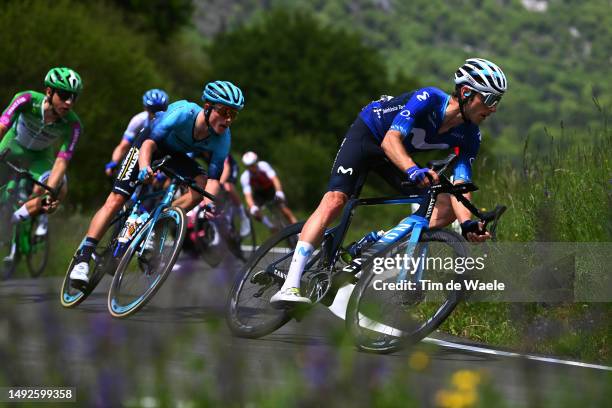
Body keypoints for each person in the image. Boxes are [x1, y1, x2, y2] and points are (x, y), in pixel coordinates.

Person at [270, 57, 508, 306]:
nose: (493, 109)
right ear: (467, 92)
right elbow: (390, 140)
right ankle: (291, 284)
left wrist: (468, 223)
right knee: (336, 200)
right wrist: (414, 170)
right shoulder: (429, 99)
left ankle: (382, 241)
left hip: (395, 157)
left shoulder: (470, 135)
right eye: (490, 99)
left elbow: (462, 183)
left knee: (444, 205)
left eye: (497, 102)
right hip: (370, 137)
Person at [69, 80, 245, 286]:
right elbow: (149, 143)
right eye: (224, 112)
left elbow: (214, 179)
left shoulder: (223, 139)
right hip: (148, 145)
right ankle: (83, 259)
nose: (228, 119)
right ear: (207, 107)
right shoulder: (183, 112)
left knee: (200, 184)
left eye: (233, 114)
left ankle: (157, 221)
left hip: (175, 154)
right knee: (117, 199)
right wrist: (144, 167)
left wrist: (209, 203)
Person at [0, 67, 83, 241]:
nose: (68, 102)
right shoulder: (27, 99)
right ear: (49, 91)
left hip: (39, 158)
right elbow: (2, 126)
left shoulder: (73, 124)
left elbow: (62, 161)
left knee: (60, 187)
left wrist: (50, 191)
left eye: (73, 97)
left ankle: (12, 220)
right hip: (12, 145)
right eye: (63, 95)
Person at [104, 89, 169, 177]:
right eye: (153, 110)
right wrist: (114, 162)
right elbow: (123, 146)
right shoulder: (138, 120)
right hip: (136, 153)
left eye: (160, 109)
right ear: (145, 108)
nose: (156, 113)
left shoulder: (169, 123)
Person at [240, 151, 297, 231]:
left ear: (256, 162)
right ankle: (270, 226)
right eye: (248, 166)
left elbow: (275, 179)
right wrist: (252, 206)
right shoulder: (245, 177)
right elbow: (248, 195)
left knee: (283, 208)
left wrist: (279, 192)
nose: (251, 168)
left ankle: (298, 229)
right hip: (259, 194)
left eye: (253, 164)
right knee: (251, 210)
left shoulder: (263, 165)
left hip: (271, 190)